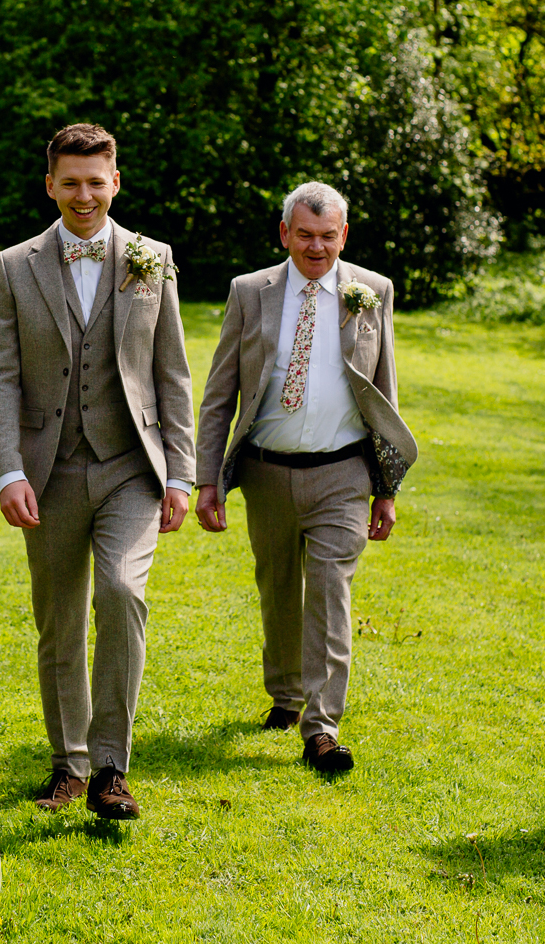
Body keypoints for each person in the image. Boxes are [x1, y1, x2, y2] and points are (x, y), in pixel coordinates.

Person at [0, 123, 195, 819]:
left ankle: (110, 768)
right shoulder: (17, 265)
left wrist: (182, 473)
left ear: (115, 183)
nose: (84, 195)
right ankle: (67, 766)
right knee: (60, 619)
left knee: (122, 596)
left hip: (133, 466)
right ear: (50, 184)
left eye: (96, 182)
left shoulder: (150, 258)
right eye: (70, 182)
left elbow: (173, 373)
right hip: (49, 472)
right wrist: (8, 469)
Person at [192, 182, 416, 773]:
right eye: (306, 235)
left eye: (328, 236)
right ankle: (285, 695)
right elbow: (220, 393)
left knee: (329, 594)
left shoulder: (372, 292)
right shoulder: (251, 292)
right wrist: (207, 478)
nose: (317, 247)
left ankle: (321, 727)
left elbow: (384, 392)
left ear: (344, 236)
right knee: (277, 586)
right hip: (266, 469)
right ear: (286, 234)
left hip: (343, 471)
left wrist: (386, 487)